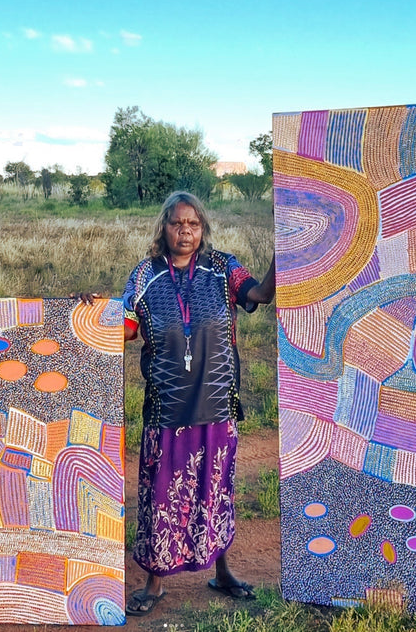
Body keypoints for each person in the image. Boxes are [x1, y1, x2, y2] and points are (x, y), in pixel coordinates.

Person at [121, 190, 275, 617]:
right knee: (161, 492)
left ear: (202, 229)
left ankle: (222, 571)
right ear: (163, 228)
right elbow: (124, 331)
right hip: (168, 408)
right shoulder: (144, 276)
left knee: (216, 490)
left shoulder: (222, 268)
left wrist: (289, 256)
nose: (185, 231)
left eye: (193, 224)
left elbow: (259, 294)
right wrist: (89, 313)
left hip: (217, 402)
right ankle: (154, 582)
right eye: (176, 223)